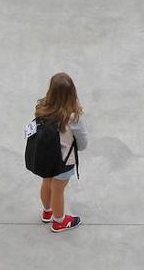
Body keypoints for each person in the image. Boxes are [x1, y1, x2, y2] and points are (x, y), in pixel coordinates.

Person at [33, 73, 88, 232]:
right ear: (72, 93)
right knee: (58, 190)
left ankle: (47, 212)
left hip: (45, 156)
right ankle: (59, 221)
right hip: (63, 161)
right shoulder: (72, 116)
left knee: (47, 183)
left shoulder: (42, 108)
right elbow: (83, 143)